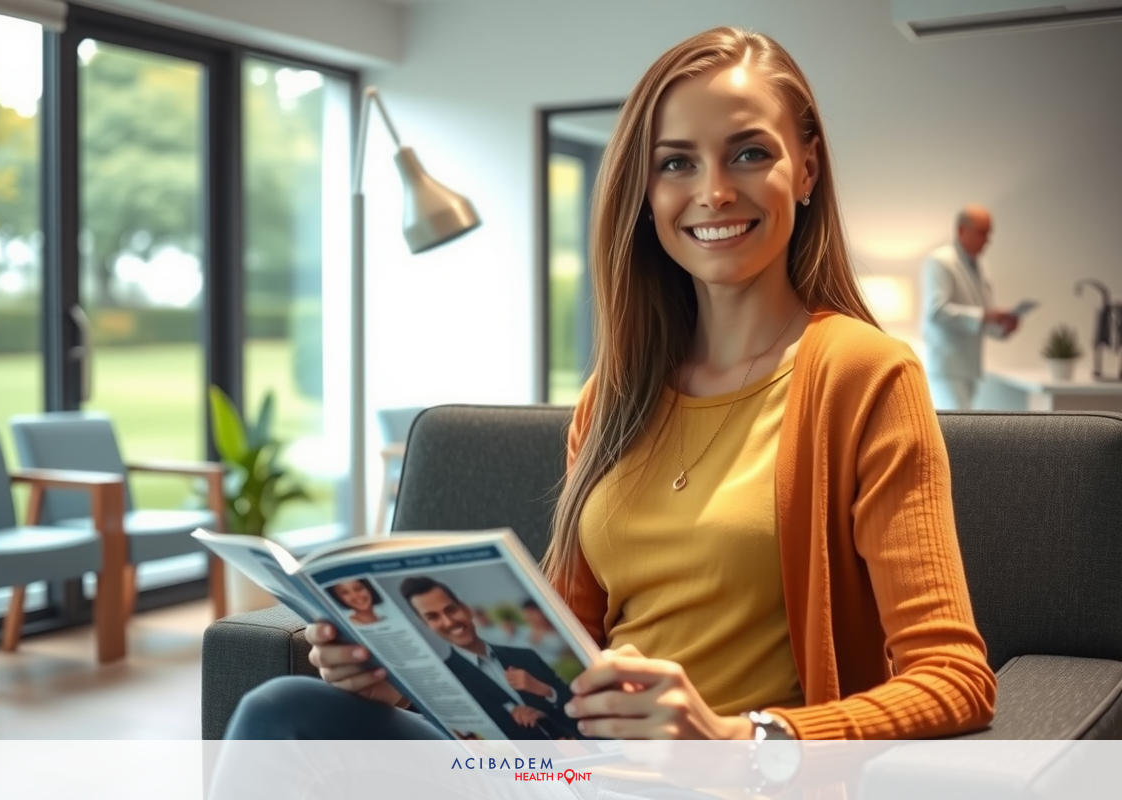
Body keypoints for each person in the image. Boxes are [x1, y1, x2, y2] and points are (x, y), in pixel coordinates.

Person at [221, 24, 995, 756]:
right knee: (285, 713)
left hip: (722, 775)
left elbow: (956, 678)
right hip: (572, 766)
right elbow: (561, 652)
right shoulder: (614, 394)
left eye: (750, 153)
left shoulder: (867, 375)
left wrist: (741, 739)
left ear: (808, 167)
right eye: (677, 162)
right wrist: (407, 677)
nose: (714, 192)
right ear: (647, 187)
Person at [398, 576, 579, 740]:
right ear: (426, 625)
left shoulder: (525, 656)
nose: (448, 622)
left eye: (451, 610)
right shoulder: (444, 684)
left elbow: (572, 702)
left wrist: (545, 691)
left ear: (466, 610)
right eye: (433, 617)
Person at [919, 204, 1019, 410]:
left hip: (969, 368)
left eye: (989, 233)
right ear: (961, 230)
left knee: (962, 429)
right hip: (947, 368)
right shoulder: (940, 261)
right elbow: (936, 311)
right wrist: (985, 316)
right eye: (982, 233)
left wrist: (1003, 327)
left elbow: (982, 316)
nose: (987, 239)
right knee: (958, 433)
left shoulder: (980, 265)